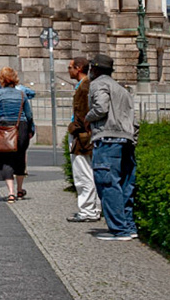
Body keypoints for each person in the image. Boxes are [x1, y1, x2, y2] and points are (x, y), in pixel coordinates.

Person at [84, 53, 138, 241]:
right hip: (127, 139)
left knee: (108, 183)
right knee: (125, 184)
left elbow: (101, 108)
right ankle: (129, 227)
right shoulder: (122, 89)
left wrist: (87, 118)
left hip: (107, 138)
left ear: (95, 69)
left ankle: (119, 230)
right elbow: (134, 120)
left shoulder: (98, 84)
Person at [0, 66, 34, 202]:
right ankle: (20, 189)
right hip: (21, 127)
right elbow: (29, 115)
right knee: (20, 157)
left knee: (5, 158)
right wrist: (30, 130)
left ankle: (11, 192)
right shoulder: (22, 94)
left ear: (1, 79)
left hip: (4, 127)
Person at [65, 57, 102, 224]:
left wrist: (73, 128)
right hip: (84, 134)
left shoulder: (84, 87)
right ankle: (94, 208)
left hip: (82, 136)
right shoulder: (85, 85)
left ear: (78, 68)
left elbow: (82, 114)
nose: (68, 70)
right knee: (89, 173)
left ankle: (88, 210)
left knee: (83, 174)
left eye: (70, 67)